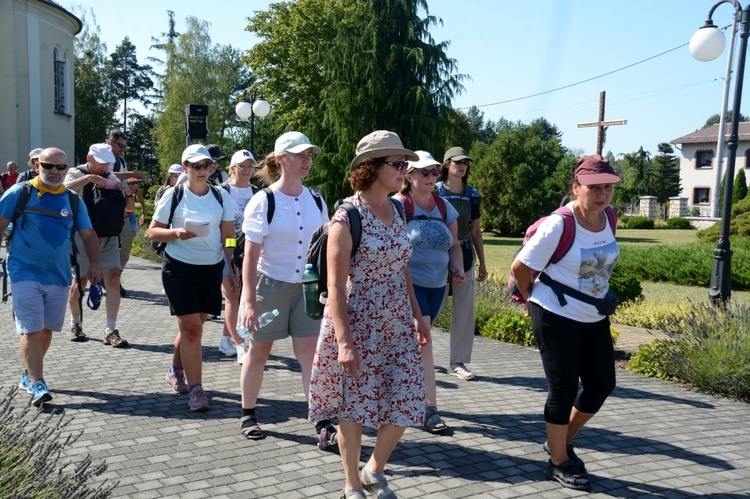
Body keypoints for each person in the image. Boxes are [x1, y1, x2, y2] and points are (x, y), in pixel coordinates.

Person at [308, 130, 428, 499]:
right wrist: (344, 343)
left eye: (405, 165)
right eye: (398, 164)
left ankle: (374, 468)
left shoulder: (398, 208)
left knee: (409, 399)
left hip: (395, 320)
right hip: (357, 321)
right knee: (355, 406)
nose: (405, 171)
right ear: (371, 167)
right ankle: (351, 483)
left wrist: (417, 313)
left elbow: (401, 265)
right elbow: (335, 287)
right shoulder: (346, 218)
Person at [510, 154, 620, 492]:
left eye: (607, 187)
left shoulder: (609, 217)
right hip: (555, 314)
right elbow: (519, 268)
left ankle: (561, 442)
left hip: (593, 314)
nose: (602, 194)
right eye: (593, 187)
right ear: (576, 188)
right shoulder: (559, 224)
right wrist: (530, 303)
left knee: (602, 383)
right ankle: (558, 460)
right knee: (564, 388)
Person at [238, 131, 329, 443]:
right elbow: (249, 256)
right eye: (299, 154)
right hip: (269, 285)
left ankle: (320, 419)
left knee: (308, 354)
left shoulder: (317, 199)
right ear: (280, 159)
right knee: (259, 351)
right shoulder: (264, 201)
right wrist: (248, 301)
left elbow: (324, 248)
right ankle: (248, 413)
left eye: (309, 155)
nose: (307, 160)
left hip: (306, 288)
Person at [0, 147, 101, 406]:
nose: (55, 172)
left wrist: (95, 266)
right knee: (31, 328)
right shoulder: (20, 193)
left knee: (47, 329)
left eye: (61, 167)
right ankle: (38, 383)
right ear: (37, 166)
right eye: (48, 166)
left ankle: (29, 374)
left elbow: (89, 235)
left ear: (67, 169)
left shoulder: (72, 200)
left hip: (58, 275)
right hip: (23, 271)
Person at [149, 144, 235, 412]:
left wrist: (230, 265)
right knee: (192, 329)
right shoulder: (174, 195)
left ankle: (175, 369)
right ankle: (196, 390)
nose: (201, 170)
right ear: (185, 167)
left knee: (194, 325)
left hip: (210, 268)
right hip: (179, 268)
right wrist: (176, 233)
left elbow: (229, 235)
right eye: (195, 166)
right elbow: (152, 232)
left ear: (212, 167)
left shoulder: (222, 197)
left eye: (206, 165)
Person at [393, 150, 464, 434]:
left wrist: (457, 270)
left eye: (434, 172)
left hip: (437, 288)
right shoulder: (398, 205)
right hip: (409, 285)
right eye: (424, 172)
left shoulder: (445, 207)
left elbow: (455, 244)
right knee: (424, 342)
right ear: (408, 175)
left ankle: (399, 392)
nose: (430, 177)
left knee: (413, 344)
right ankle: (429, 409)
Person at [64, 144, 130, 347]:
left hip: (109, 236)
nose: (104, 167)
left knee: (112, 282)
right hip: (83, 236)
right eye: (100, 163)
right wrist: (90, 179)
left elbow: (127, 208)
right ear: (89, 158)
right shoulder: (76, 172)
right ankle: (76, 324)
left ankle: (111, 330)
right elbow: (61, 189)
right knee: (80, 283)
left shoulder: (110, 176)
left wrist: (126, 191)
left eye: (107, 163)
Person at [436, 146, 487, 381]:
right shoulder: (434, 191)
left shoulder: (472, 194)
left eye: (465, 162)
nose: (462, 166)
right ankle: (414, 356)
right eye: (457, 162)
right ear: (447, 164)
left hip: (464, 256)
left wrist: (483, 264)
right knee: (429, 310)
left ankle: (458, 361)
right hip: (436, 258)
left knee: (465, 311)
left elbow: (475, 231)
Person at [217, 150, 257, 365]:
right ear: (232, 168)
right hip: (226, 248)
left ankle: (226, 340)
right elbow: (226, 232)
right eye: (242, 166)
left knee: (240, 297)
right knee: (233, 296)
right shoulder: (222, 192)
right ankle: (241, 346)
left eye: (250, 166)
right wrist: (230, 259)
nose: (246, 170)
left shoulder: (258, 192)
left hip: (250, 251)